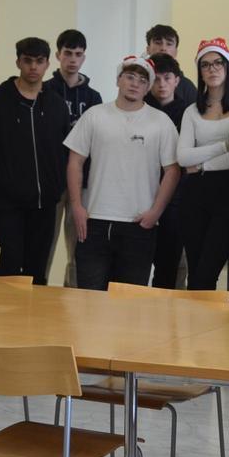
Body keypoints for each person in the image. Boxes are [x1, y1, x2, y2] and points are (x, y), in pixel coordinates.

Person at [65, 56, 179, 290]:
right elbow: (75, 162)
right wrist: (76, 206)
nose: (135, 83)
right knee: (88, 301)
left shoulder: (161, 122)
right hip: (94, 221)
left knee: (129, 306)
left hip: (139, 224)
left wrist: (155, 212)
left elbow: (172, 170)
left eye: (141, 80)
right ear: (118, 80)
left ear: (148, 87)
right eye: (129, 77)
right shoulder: (95, 115)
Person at [0, 37, 69, 285]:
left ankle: (35, 323)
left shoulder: (56, 104)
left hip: (45, 202)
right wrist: (4, 179)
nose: (33, 67)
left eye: (39, 61)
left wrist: (57, 184)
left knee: (38, 268)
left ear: (47, 64)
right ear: (18, 62)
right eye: (27, 61)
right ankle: (3, 322)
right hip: (9, 202)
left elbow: (65, 149)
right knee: (11, 263)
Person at [177, 38, 229, 291]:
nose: (212, 69)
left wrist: (203, 163)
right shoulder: (191, 110)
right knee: (196, 273)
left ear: (227, 67)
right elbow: (183, 158)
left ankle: (211, 329)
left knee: (207, 272)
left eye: (218, 63)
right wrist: (223, 146)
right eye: (205, 65)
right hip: (193, 195)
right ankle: (198, 328)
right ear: (199, 71)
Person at [45, 29, 102, 287]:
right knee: (45, 247)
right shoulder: (45, 91)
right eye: (67, 53)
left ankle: (75, 305)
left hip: (83, 182)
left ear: (84, 58)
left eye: (78, 54)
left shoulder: (94, 98)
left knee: (80, 249)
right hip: (52, 180)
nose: (72, 59)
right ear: (58, 55)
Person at [145, 53, 189, 289]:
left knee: (169, 263)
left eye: (167, 78)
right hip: (142, 192)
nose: (161, 84)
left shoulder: (189, 112)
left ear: (177, 81)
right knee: (138, 261)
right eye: (156, 79)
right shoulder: (139, 109)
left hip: (176, 196)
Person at [145, 24, 197, 104]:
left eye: (169, 44)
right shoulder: (139, 81)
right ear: (148, 49)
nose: (163, 48)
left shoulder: (187, 87)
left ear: (176, 51)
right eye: (158, 43)